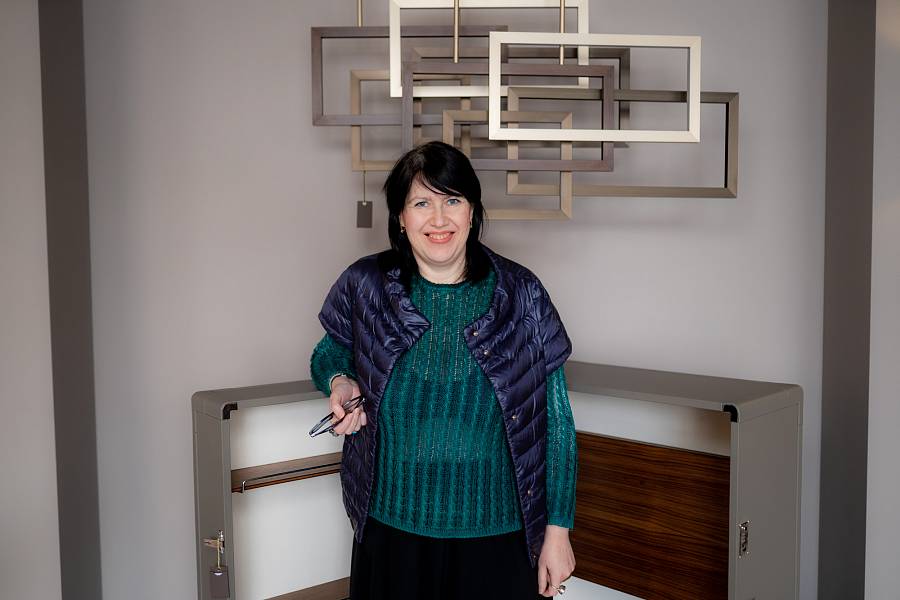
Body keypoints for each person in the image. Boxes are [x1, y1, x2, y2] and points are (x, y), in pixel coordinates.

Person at [310, 141, 578, 599]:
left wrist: (558, 531)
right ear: (400, 217)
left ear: (472, 212)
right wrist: (340, 381)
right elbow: (328, 353)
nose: (439, 219)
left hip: (499, 535)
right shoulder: (365, 284)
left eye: (452, 200)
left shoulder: (522, 293)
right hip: (391, 529)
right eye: (421, 203)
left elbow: (556, 423)